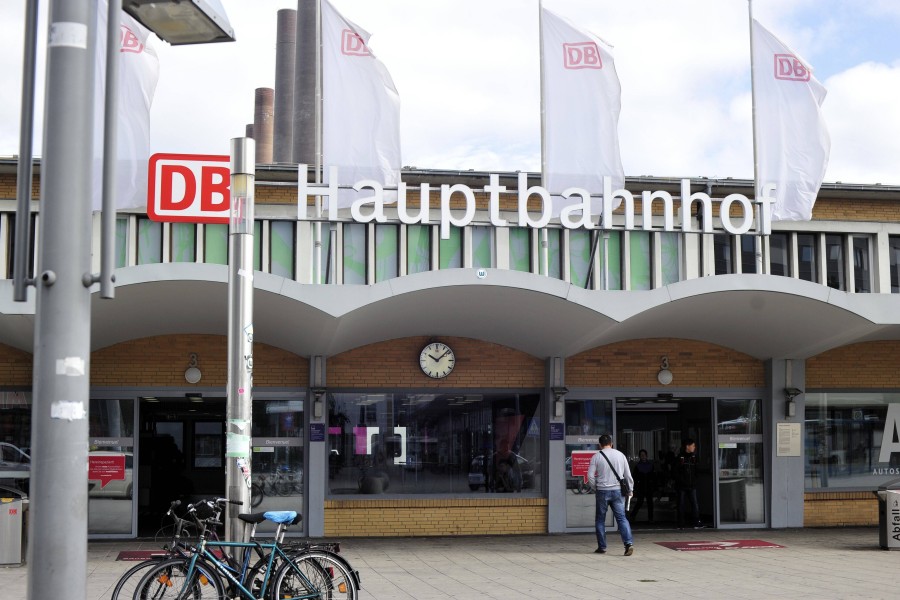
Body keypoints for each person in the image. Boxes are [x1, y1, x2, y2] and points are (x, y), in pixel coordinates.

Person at [587, 434, 634, 556]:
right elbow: (628, 475)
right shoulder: (620, 455)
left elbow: (590, 476)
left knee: (600, 520)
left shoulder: (596, 456)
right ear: (611, 443)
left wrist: (595, 487)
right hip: (618, 491)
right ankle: (628, 544)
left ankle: (602, 547)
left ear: (600, 445)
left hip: (602, 491)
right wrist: (630, 489)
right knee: (622, 518)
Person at [674, 438, 704, 529]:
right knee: (681, 504)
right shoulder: (680, 458)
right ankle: (681, 524)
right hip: (682, 486)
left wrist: (695, 481)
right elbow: (675, 472)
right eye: (693, 445)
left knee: (695, 504)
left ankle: (696, 522)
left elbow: (697, 470)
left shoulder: (694, 457)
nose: (694, 447)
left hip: (692, 485)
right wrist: (681, 481)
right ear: (687, 446)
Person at [629, 449, 655, 523]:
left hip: (649, 486)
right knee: (640, 502)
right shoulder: (638, 466)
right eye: (641, 455)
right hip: (641, 487)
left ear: (646, 456)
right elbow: (634, 477)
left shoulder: (650, 465)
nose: (643, 456)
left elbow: (653, 477)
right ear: (640, 457)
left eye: (644, 455)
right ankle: (632, 516)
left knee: (650, 503)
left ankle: (650, 518)